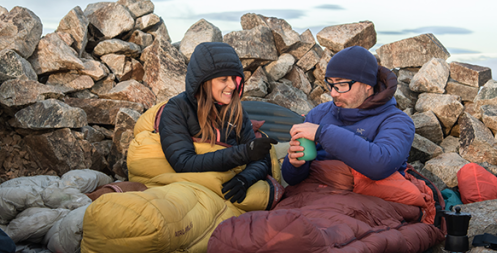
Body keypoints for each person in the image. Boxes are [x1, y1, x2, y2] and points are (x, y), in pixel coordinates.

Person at [158, 42, 277, 206]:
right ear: (203, 81)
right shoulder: (177, 109)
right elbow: (183, 162)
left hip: (228, 187)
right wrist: (244, 153)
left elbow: (259, 159)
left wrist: (244, 179)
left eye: (234, 78)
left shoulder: (236, 111)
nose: (232, 85)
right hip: (189, 189)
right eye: (223, 79)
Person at [282, 45, 415, 185]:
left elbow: (381, 165)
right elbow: (291, 180)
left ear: (368, 84)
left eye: (342, 85)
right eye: (330, 84)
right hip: (317, 190)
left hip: (370, 194)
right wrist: (295, 165)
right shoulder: (319, 114)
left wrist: (322, 134)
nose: (333, 93)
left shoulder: (397, 121)